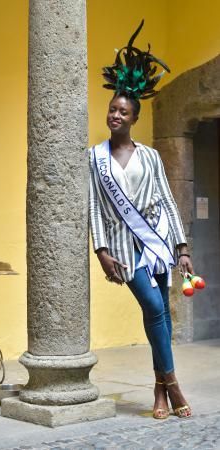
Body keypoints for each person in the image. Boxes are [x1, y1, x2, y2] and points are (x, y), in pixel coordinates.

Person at [89, 20, 193, 419]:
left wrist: (181, 248)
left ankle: (159, 391)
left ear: (134, 117)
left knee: (161, 313)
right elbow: (95, 207)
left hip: (159, 242)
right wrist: (101, 251)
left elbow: (167, 199)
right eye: (112, 109)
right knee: (153, 307)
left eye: (123, 111)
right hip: (122, 248)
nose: (115, 115)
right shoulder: (93, 158)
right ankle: (174, 384)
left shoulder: (150, 155)